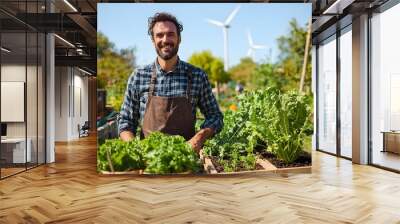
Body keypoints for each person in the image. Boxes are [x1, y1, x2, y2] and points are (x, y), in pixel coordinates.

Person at [118, 12, 223, 153]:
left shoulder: (197, 76)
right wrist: (136, 151)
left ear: (179, 39)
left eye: (171, 34)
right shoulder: (139, 76)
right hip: (148, 161)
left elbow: (215, 117)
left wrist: (199, 138)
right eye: (159, 35)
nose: (165, 39)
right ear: (153, 40)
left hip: (186, 160)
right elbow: (125, 122)